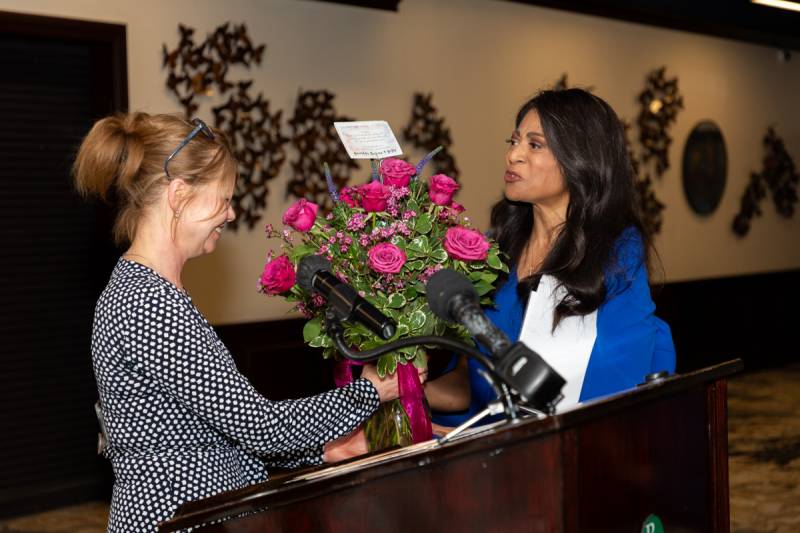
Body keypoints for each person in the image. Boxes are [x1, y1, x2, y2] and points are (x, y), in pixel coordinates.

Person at [73, 112, 403, 532]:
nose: (230, 215)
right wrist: (370, 392)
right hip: (174, 519)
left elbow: (210, 435)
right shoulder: (147, 302)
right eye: (224, 198)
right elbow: (261, 428)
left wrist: (320, 452)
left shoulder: (152, 292)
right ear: (178, 195)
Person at [426, 88, 676, 428]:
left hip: (588, 442)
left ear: (580, 158)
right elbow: (472, 385)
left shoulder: (616, 253)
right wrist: (399, 389)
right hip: (500, 447)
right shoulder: (494, 252)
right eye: (513, 141)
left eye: (534, 144)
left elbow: (621, 376)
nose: (513, 155)